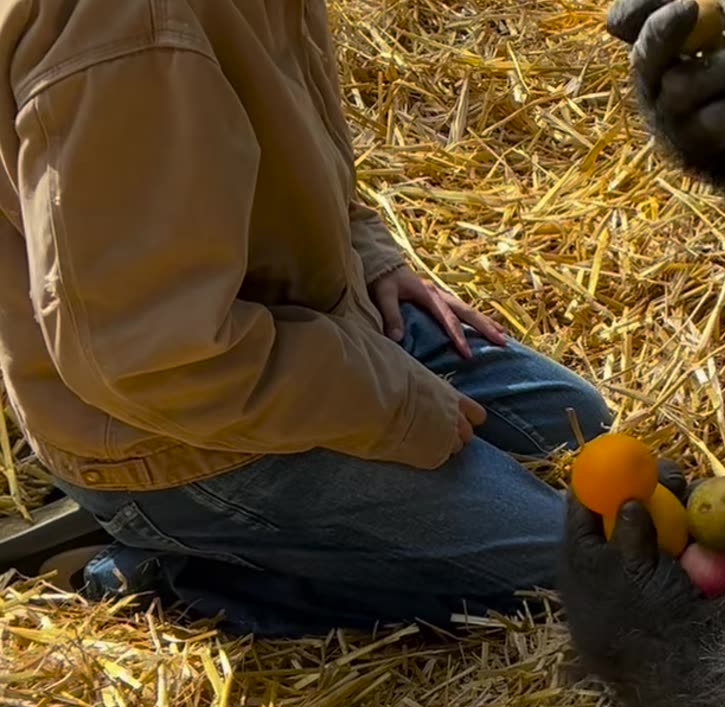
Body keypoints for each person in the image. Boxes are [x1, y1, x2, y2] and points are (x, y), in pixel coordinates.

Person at [0, 1, 612, 637]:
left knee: (576, 420)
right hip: (182, 432)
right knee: (581, 579)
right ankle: (173, 572)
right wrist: (391, 403)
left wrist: (369, 255)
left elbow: (291, 127)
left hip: (303, 331)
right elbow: (145, 354)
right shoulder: (129, 32)